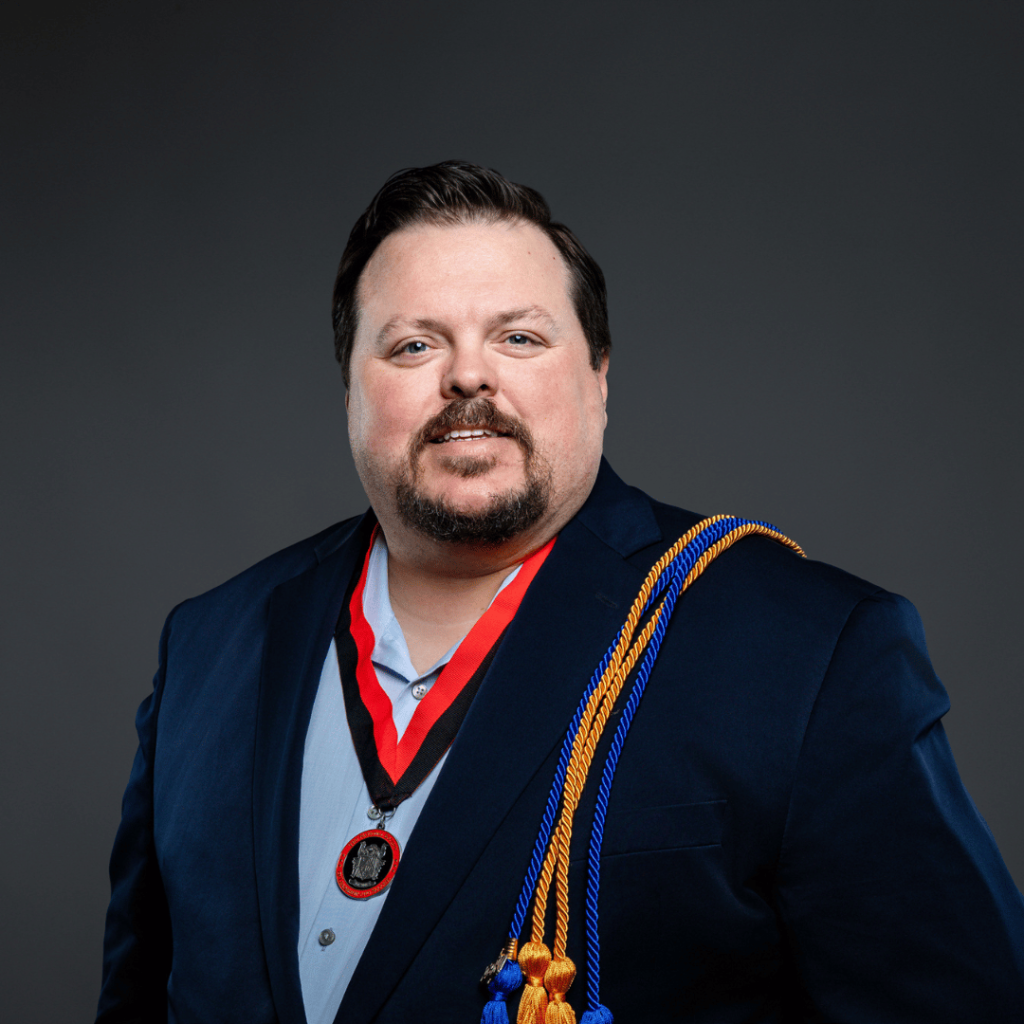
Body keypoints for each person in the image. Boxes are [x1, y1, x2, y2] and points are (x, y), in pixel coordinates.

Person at [97, 161, 1024, 1024]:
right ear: (350, 389)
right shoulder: (211, 646)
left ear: (599, 378)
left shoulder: (808, 651)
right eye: (414, 344)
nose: (468, 374)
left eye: (520, 336)